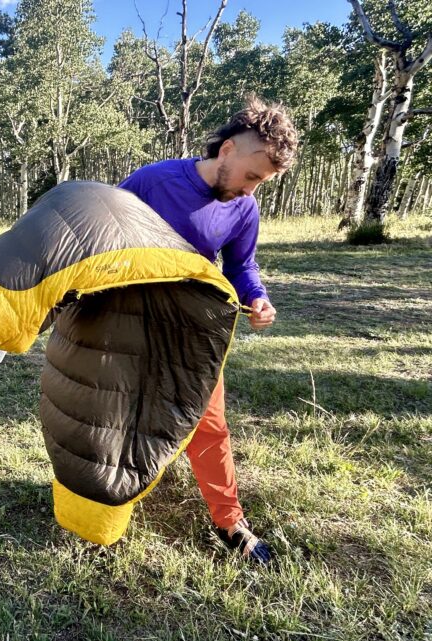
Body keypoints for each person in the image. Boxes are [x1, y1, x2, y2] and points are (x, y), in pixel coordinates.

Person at [117, 96, 299, 564]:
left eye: (263, 184)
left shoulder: (244, 209)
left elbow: (242, 265)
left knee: (209, 424)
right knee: (117, 412)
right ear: (228, 150)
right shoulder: (151, 181)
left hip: (194, 331)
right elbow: (102, 232)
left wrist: (256, 296)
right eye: (252, 176)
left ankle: (228, 521)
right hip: (129, 321)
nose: (251, 190)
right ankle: (108, 496)